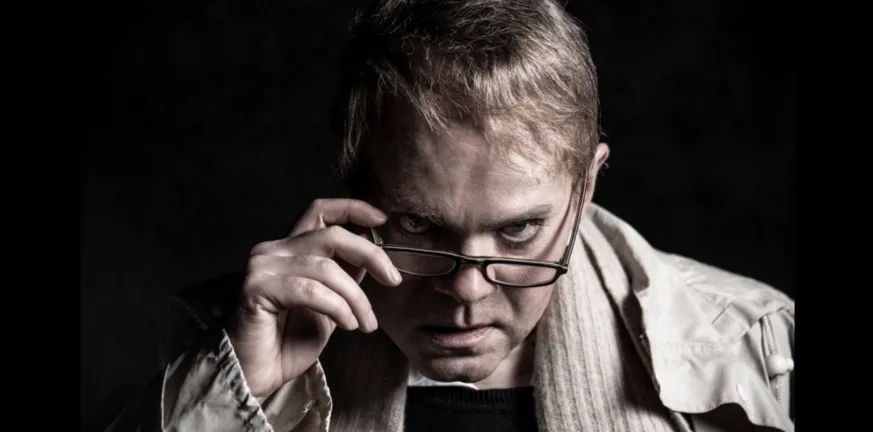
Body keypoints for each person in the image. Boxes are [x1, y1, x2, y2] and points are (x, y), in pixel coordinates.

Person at [98, 0, 795, 431]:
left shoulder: (758, 352)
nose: (465, 290)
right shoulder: (227, 348)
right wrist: (228, 398)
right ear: (352, 186)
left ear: (586, 186)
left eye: (518, 229)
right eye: (419, 225)